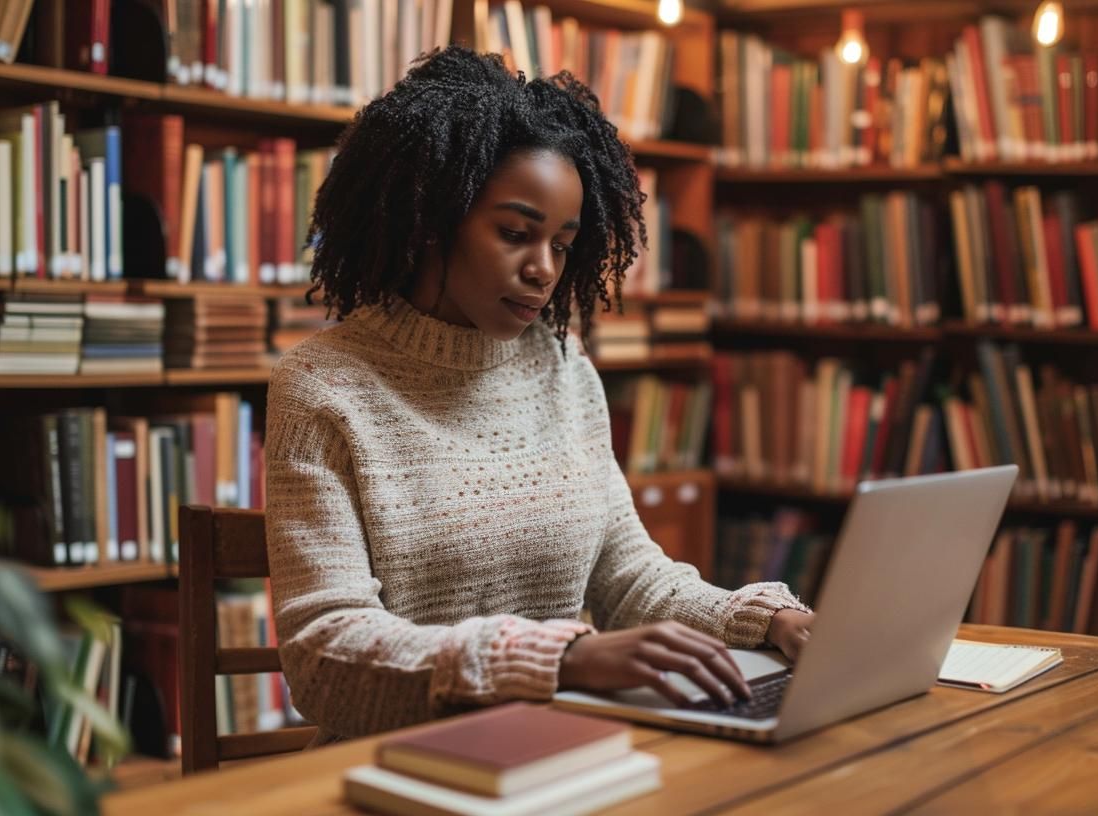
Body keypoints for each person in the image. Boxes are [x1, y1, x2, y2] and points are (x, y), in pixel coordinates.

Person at [265, 45, 813, 743]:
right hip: (407, 764)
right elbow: (322, 656)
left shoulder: (562, 365)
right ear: (430, 223)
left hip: (567, 747)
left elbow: (627, 574)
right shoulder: (323, 386)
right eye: (516, 234)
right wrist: (565, 658)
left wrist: (764, 622)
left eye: (562, 243)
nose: (544, 270)